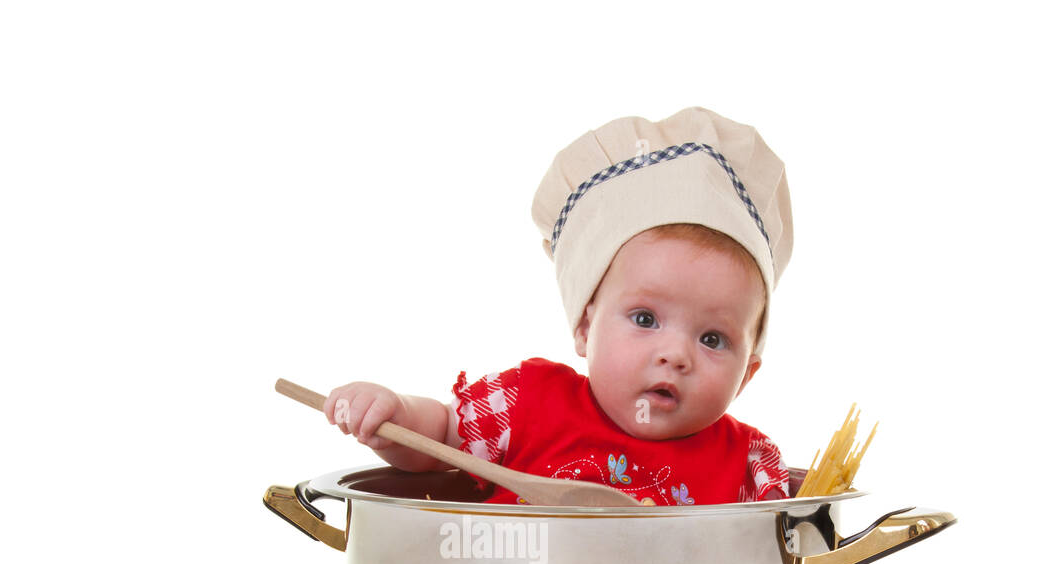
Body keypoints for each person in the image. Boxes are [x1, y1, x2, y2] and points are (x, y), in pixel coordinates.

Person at [325, 106, 795, 506]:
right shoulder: (527, 403)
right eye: (645, 319)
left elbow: (773, 563)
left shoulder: (750, 465)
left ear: (746, 374)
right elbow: (442, 438)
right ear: (586, 326)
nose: (675, 354)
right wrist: (394, 416)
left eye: (712, 338)